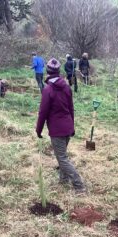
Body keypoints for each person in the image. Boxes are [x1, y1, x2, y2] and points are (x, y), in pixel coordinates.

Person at [36, 58, 86, 194]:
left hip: (57, 129)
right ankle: (63, 179)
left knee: (62, 158)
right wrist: (73, 126)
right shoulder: (66, 86)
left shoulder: (48, 90)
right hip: (67, 126)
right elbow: (71, 108)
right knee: (62, 155)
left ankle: (79, 185)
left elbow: (43, 112)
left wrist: (38, 129)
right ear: (59, 71)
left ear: (47, 71)